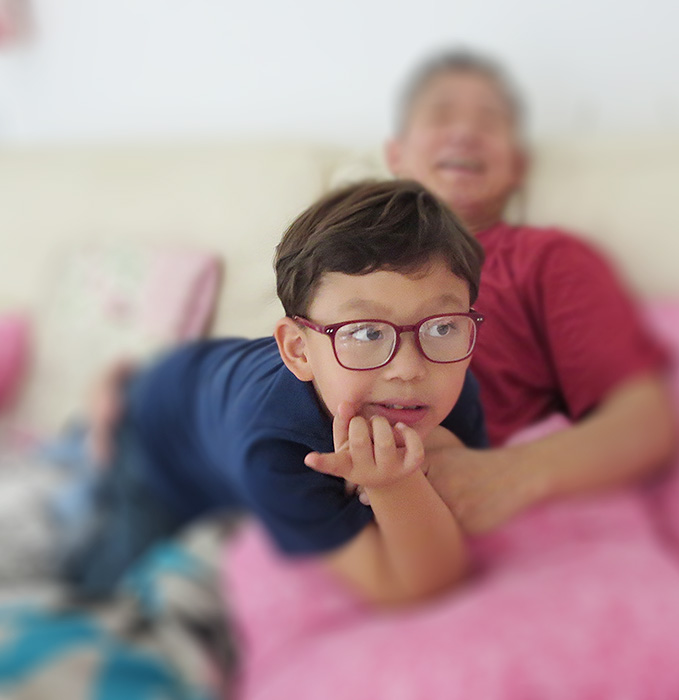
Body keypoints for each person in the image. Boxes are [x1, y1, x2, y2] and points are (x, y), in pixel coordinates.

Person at [63, 179, 489, 606]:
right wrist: (397, 484)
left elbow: (464, 497)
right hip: (160, 427)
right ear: (299, 351)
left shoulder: (446, 376)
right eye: (365, 332)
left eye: (442, 327)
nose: (410, 369)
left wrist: (428, 458)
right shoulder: (276, 447)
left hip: (214, 381)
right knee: (118, 576)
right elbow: (407, 588)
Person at [374, 49, 679, 533]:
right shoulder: (345, 253)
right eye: (441, 115)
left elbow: (644, 421)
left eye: (489, 121)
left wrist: (505, 477)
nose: (464, 132)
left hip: (472, 510)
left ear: (517, 165)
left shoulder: (549, 259)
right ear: (396, 154)